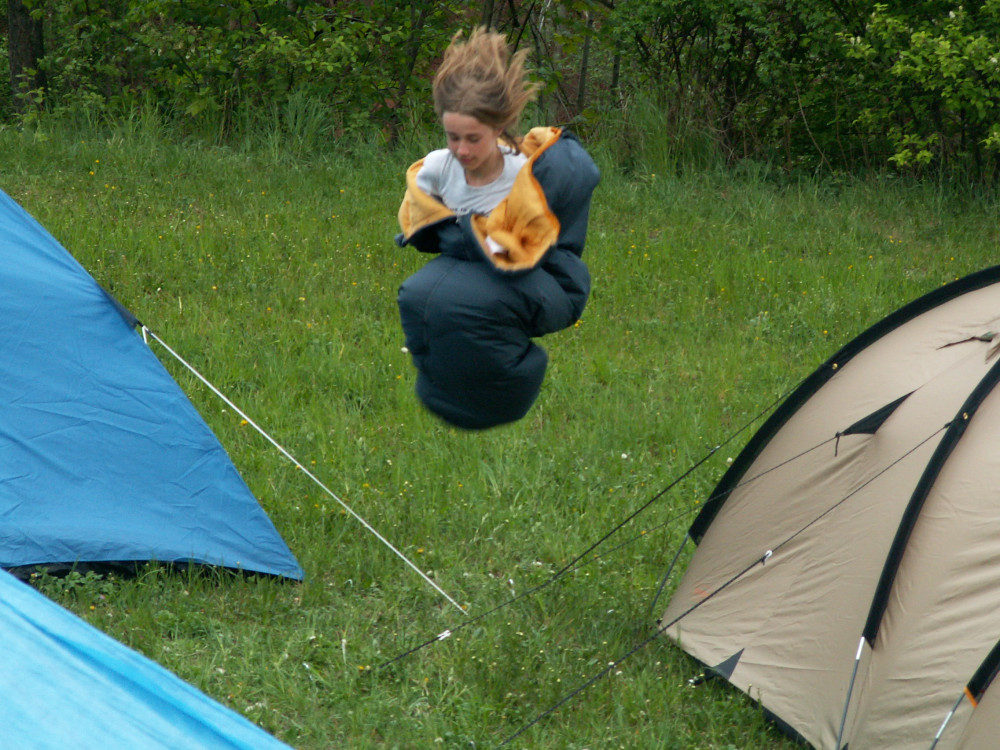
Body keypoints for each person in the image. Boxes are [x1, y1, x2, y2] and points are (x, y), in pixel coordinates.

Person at [396, 28, 600, 430]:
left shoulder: (523, 176)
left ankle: (504, 397)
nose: (462, 150)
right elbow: (423, 214)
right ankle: (445, 396)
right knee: (419, 296)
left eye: (474, 138)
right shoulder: (437, 168)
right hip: (474, 264)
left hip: (540, 276)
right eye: (453, 137)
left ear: (499, 127)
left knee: (468, 303)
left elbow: (534, 240)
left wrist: (483, 239)